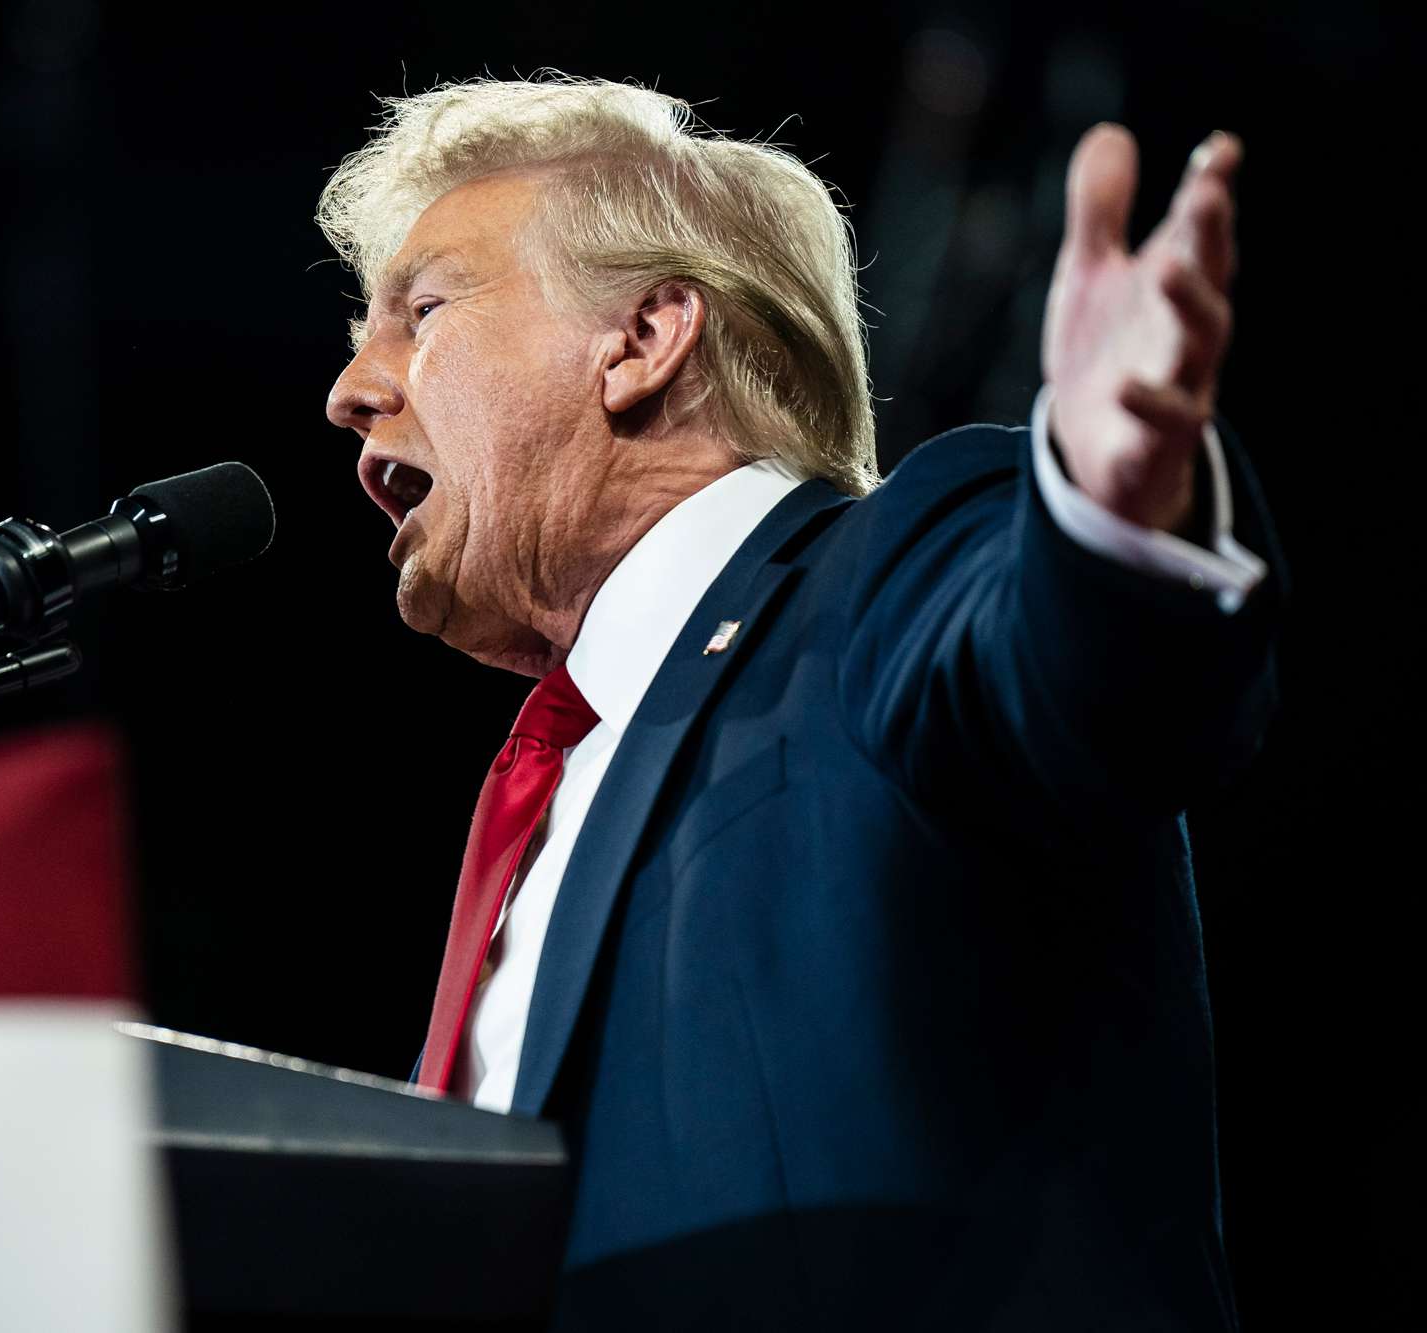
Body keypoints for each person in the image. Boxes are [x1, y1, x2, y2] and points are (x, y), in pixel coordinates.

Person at [320, 76, 1278, 1329]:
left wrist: (1107, 514)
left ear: (643, 339)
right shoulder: (551, 790)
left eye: (423, 309)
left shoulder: (882, 577)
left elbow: (1081, 679)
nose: (351, 389)